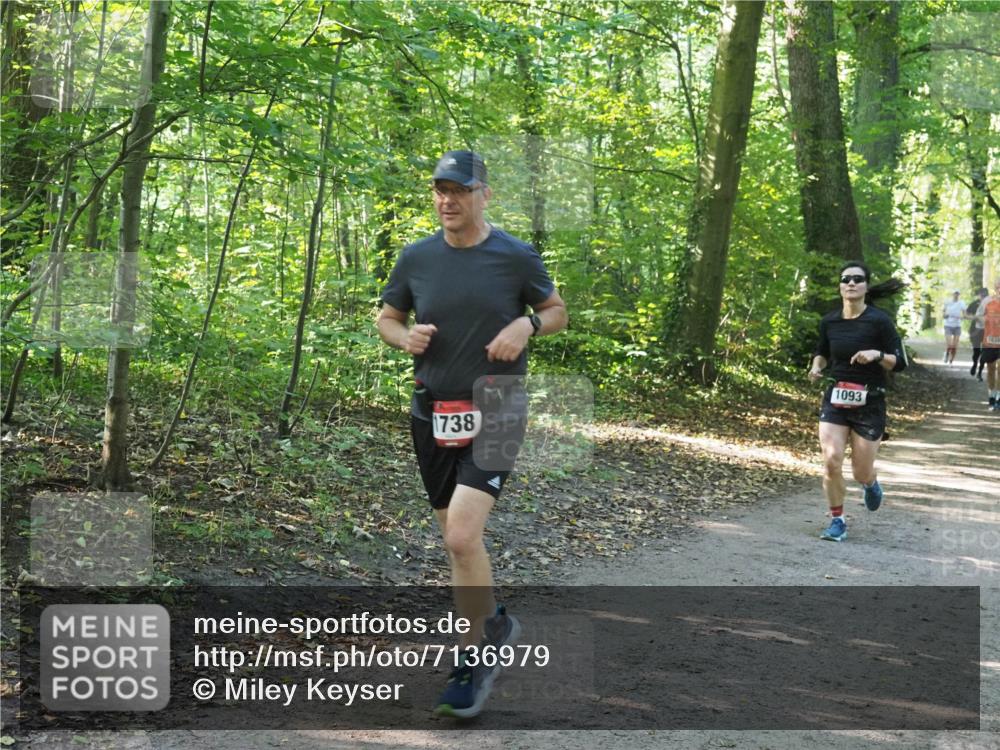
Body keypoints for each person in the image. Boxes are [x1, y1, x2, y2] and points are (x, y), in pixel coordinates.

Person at [376, 150, 568, 717]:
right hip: (431, 412)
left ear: (484, 194)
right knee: (458, 541)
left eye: (458, 190)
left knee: (461, 537)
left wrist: (525, 323)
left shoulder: (515, 256)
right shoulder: (416, 258)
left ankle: (473, 660)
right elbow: (387, 317)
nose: (446, 200)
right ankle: (496, 624)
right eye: (439, 189)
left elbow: (556, 310)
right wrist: (401, 337)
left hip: (501, 407)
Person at [808, 262, 907, 542]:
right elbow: (822, 352)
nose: (851, 283)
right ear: (840, 286)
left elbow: (900, 362)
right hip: (835, 398)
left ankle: (870, 483)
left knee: (860, 471)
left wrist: (877, 354)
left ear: (865, 286)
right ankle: (837, 520)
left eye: (857, 279)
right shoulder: (830, 321)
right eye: (846, 279)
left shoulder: (879, 321)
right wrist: (817, 367)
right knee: (831, 460)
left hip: (869, 402)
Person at [974, 279, 1000, 411]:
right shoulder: (987, 301)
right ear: (995, 288)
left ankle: (998, 398)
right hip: (989, 341)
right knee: (991, 370)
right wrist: (985, 319)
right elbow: (978, 316)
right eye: (998, 287)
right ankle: (991, 396)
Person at [966, 287, 989, 381]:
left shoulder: (991, 304)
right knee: (976, 351)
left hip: (987, 330)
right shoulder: (974, 303)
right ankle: (975, 364)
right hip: (975, 329)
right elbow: (966, 314)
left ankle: (980, 372)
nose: (983, 297)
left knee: (985, 351)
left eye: (985, 295)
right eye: (981, 295)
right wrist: (974, 317)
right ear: (979, 295)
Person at [942, 291, 965, 364]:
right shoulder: (947, 302)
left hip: (957, 326)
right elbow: (943, 314)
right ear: (952, 294)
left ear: (959, 295)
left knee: (954, 346)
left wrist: (962, 317)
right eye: (955, 293)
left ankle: (951, 361)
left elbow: (964, 314)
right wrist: (945, 315)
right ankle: (946, 353)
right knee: (950, 345)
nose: (956, 295)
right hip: (948, 325)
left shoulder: (962, 303)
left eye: (957, 294)